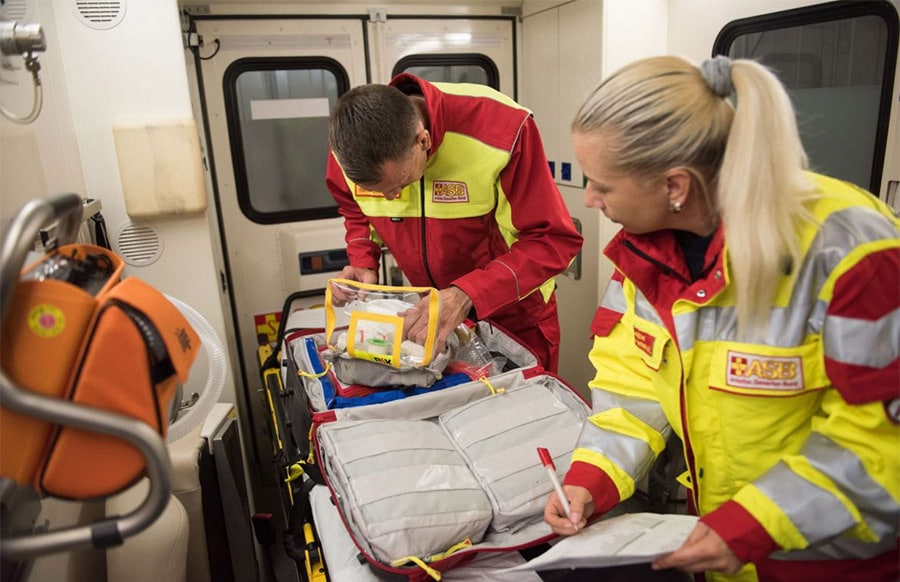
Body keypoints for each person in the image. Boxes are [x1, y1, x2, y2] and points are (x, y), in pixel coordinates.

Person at [543, 55, 900, 581]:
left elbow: (880, 439)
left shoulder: (851, 251)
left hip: (830, 562)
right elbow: (632, 384)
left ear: (675, 186)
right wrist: (592, 477)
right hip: (720, 548)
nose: (589, 198)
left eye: (602, 185)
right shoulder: (645, 255)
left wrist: (754, 523)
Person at [326, 73, 583, 372]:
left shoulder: (502, 129)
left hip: (515, 315)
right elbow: (353, 207)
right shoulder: (350, 146)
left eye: (401, 184)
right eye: (377, 192)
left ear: (424, 140)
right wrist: (363, 261)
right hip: (433, 315)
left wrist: (467, 294)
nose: (392, 197)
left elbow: (553, 240)